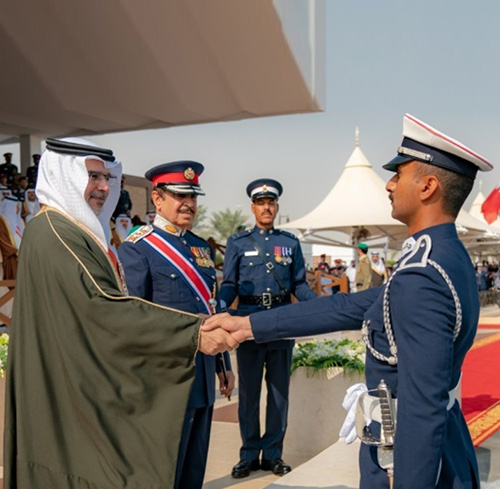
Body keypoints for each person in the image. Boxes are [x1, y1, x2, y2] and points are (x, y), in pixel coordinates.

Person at [204, 113, 492, 489]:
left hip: (403, 458)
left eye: (398, 174)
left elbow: (423, 408)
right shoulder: (441, 255)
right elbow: (349, 307)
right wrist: (248, 326)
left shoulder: (424, 273)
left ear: (428, 187)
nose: (389, 185)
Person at [4, 138, 237, 489]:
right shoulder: (56, 232)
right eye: (93, 176)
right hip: (150, 373)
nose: (103, 186)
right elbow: (106, 307)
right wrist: (192, 334)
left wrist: (219, 361)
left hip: (175, 371)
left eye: (106, 177)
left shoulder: (64, 230)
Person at [118, 161, 235, 489]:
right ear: (157, 199)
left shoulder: (200, 247)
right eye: (180, 196)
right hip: (165, 377)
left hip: (203, 373)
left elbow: (211, 308)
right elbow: (135, 318)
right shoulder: (137, 247)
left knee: (194, 467)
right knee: (163, 468)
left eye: (193, 197)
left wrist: (223, 365)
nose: (189, 204)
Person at [220, 178, 317, 478]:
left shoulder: (289, 243)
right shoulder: (238, 243)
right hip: (248, 324)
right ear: (253, 207)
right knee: (248, 395)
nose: (266, 207)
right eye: (261, 203)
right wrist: (221, 308)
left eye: (271, 203)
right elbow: (229, 284)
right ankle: (249, 455)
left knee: (278, 395)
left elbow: (299, 283)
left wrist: (317, 307)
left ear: (276, 207)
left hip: (280, 323)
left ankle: (273, 454)